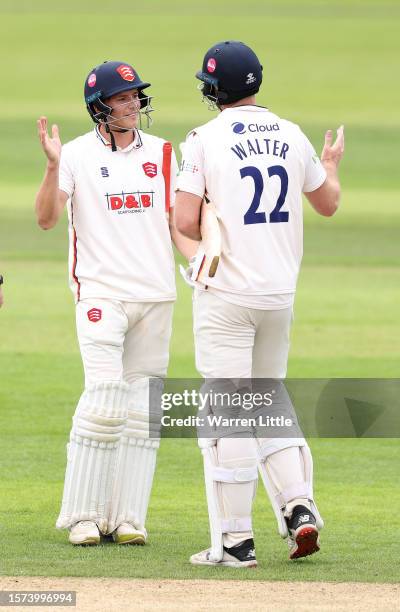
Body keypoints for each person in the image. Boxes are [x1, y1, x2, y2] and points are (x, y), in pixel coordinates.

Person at [175, 41, 344, 567]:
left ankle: (235, 542)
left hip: (227, 295)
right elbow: (328, 202)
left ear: (213, 89)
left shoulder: (202, 139)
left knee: (228, 411)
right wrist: (332, 166)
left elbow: (183, 222)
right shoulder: (291, 134)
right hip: (278, 296)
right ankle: (298, 506)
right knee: (268, 401)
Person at [36, 60, 195, 546]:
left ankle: (127, 518)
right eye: (124, 98)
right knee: (104, 399)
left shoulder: (165, 152)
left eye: (136, 96)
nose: (134, 104)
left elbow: (177, 223)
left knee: (142, 412)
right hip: (101, 293)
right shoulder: (77, 155)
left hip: (156, 294)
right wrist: (50, 166)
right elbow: (46, 219)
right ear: (100, 107)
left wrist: (197, 264)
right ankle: (82, 516)